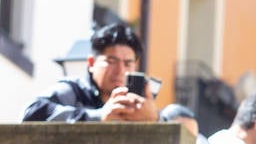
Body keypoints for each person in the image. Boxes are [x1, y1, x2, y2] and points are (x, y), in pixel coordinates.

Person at [23, 22, 158, 122]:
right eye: (111, 61)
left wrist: (154, 120)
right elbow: (32, 112)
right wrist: (98, 117)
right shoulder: (73, 91)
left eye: (128, 63)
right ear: (92, 63)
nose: (120, 71)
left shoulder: (139, 101)